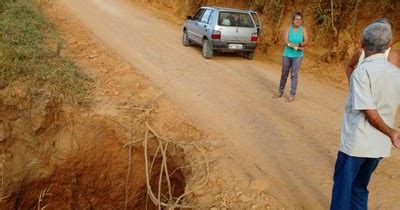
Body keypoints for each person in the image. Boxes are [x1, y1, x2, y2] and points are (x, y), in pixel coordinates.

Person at [330, 22, 400, 210]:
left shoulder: (362, 72)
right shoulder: (395, 73)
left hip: (356, 144)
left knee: (342, 191)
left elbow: (370, 114)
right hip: (379, 147)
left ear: (361, 44)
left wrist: (392, 132)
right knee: (359, 188)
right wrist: (389, 134)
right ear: (388, 45)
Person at [274, 11, 308, 102]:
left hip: (298, 56)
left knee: (294, 75)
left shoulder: (303, 30)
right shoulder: (288, 29)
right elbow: (286, 41)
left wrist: (298, 44)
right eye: (296, 19)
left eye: (300, 19)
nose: (298, 21)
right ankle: (280, 91)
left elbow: (306, 42)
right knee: (284, 74)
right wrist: (297, 47)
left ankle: (292, 95)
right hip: (287, 55)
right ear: (293, 20)